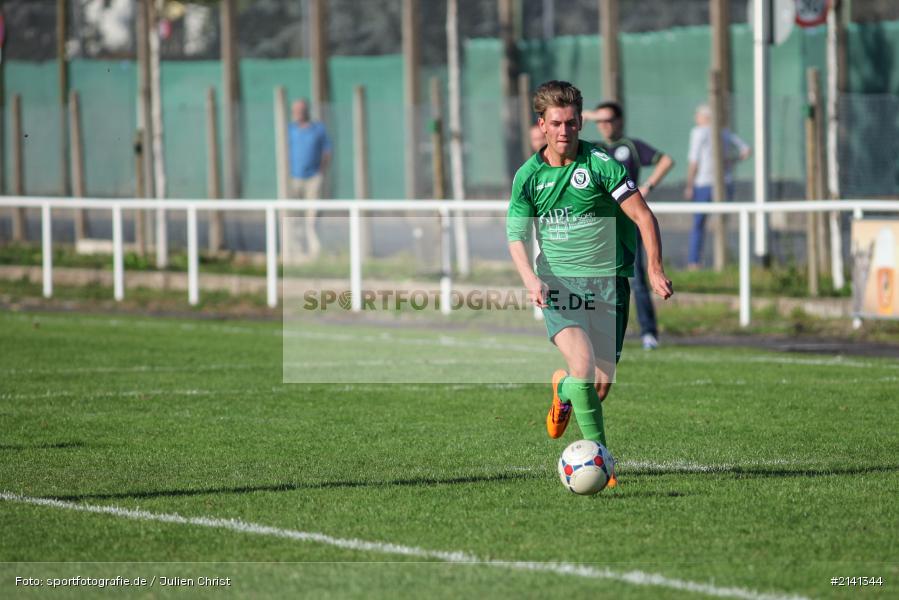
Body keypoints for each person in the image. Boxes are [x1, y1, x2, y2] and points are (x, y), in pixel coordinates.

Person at [507, 81, 673, 483]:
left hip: (610, 286)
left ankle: (561, 390)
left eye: (572, 122)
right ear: (542, 125)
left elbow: (643, 216)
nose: (565, 131)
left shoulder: (601, 165)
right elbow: (516, 234)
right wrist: (530, 278)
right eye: (557, 123)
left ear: (581, 122)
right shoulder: (529, 176)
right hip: (558, 287)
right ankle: (603, 464)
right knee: (583, 369)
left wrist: (653, 267)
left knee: (595, 387)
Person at [583, 101, 674, 350]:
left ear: (620, 121)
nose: (604, 125)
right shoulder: (594, 149)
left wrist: (648, 187)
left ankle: (648, 332)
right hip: (599, 226)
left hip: (628, 222)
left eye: (609, 120)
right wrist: (588, 116)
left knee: (636, 279)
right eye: (600, 121)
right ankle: (595, 329)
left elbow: (666, 160)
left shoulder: (630, 147)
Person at [683, 104, 750, 270]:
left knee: (699, 224)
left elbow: (694, 161)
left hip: (703, 183)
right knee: (722, 223)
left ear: (704, 117)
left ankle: (694, 262)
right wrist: (729, 162)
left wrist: (689, 184)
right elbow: (746, 150)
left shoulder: (698, 133)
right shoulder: (724, 133)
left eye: (697, 115)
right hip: (724, 182)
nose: (695, 118)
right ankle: (723, 261)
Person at [288, 98, 332, 260]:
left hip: (313, 178)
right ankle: (297, 251)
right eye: (295, 110)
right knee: (294, 216)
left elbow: (327, 151)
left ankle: (315, 251)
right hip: (294, 179)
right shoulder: (289, 129)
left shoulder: (318, 129)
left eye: (301, 110)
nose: (298, 113)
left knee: (312, 216)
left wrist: (320, 172)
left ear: (307, 111)